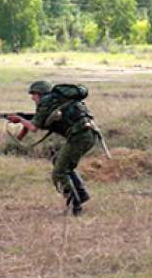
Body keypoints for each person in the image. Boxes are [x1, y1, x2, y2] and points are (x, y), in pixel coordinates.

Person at [8, 80, 96, 216]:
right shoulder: (56, 101)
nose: (32, 98)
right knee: (59, 162)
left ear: (41, 94)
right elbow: (43, 121)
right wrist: (24, 118)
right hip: (86, 135)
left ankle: (75, 206)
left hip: (80, 137)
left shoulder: (46, 103)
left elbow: (34, 128)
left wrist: (20, 120)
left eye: (34, 94)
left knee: (59, 172)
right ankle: (81, 195)